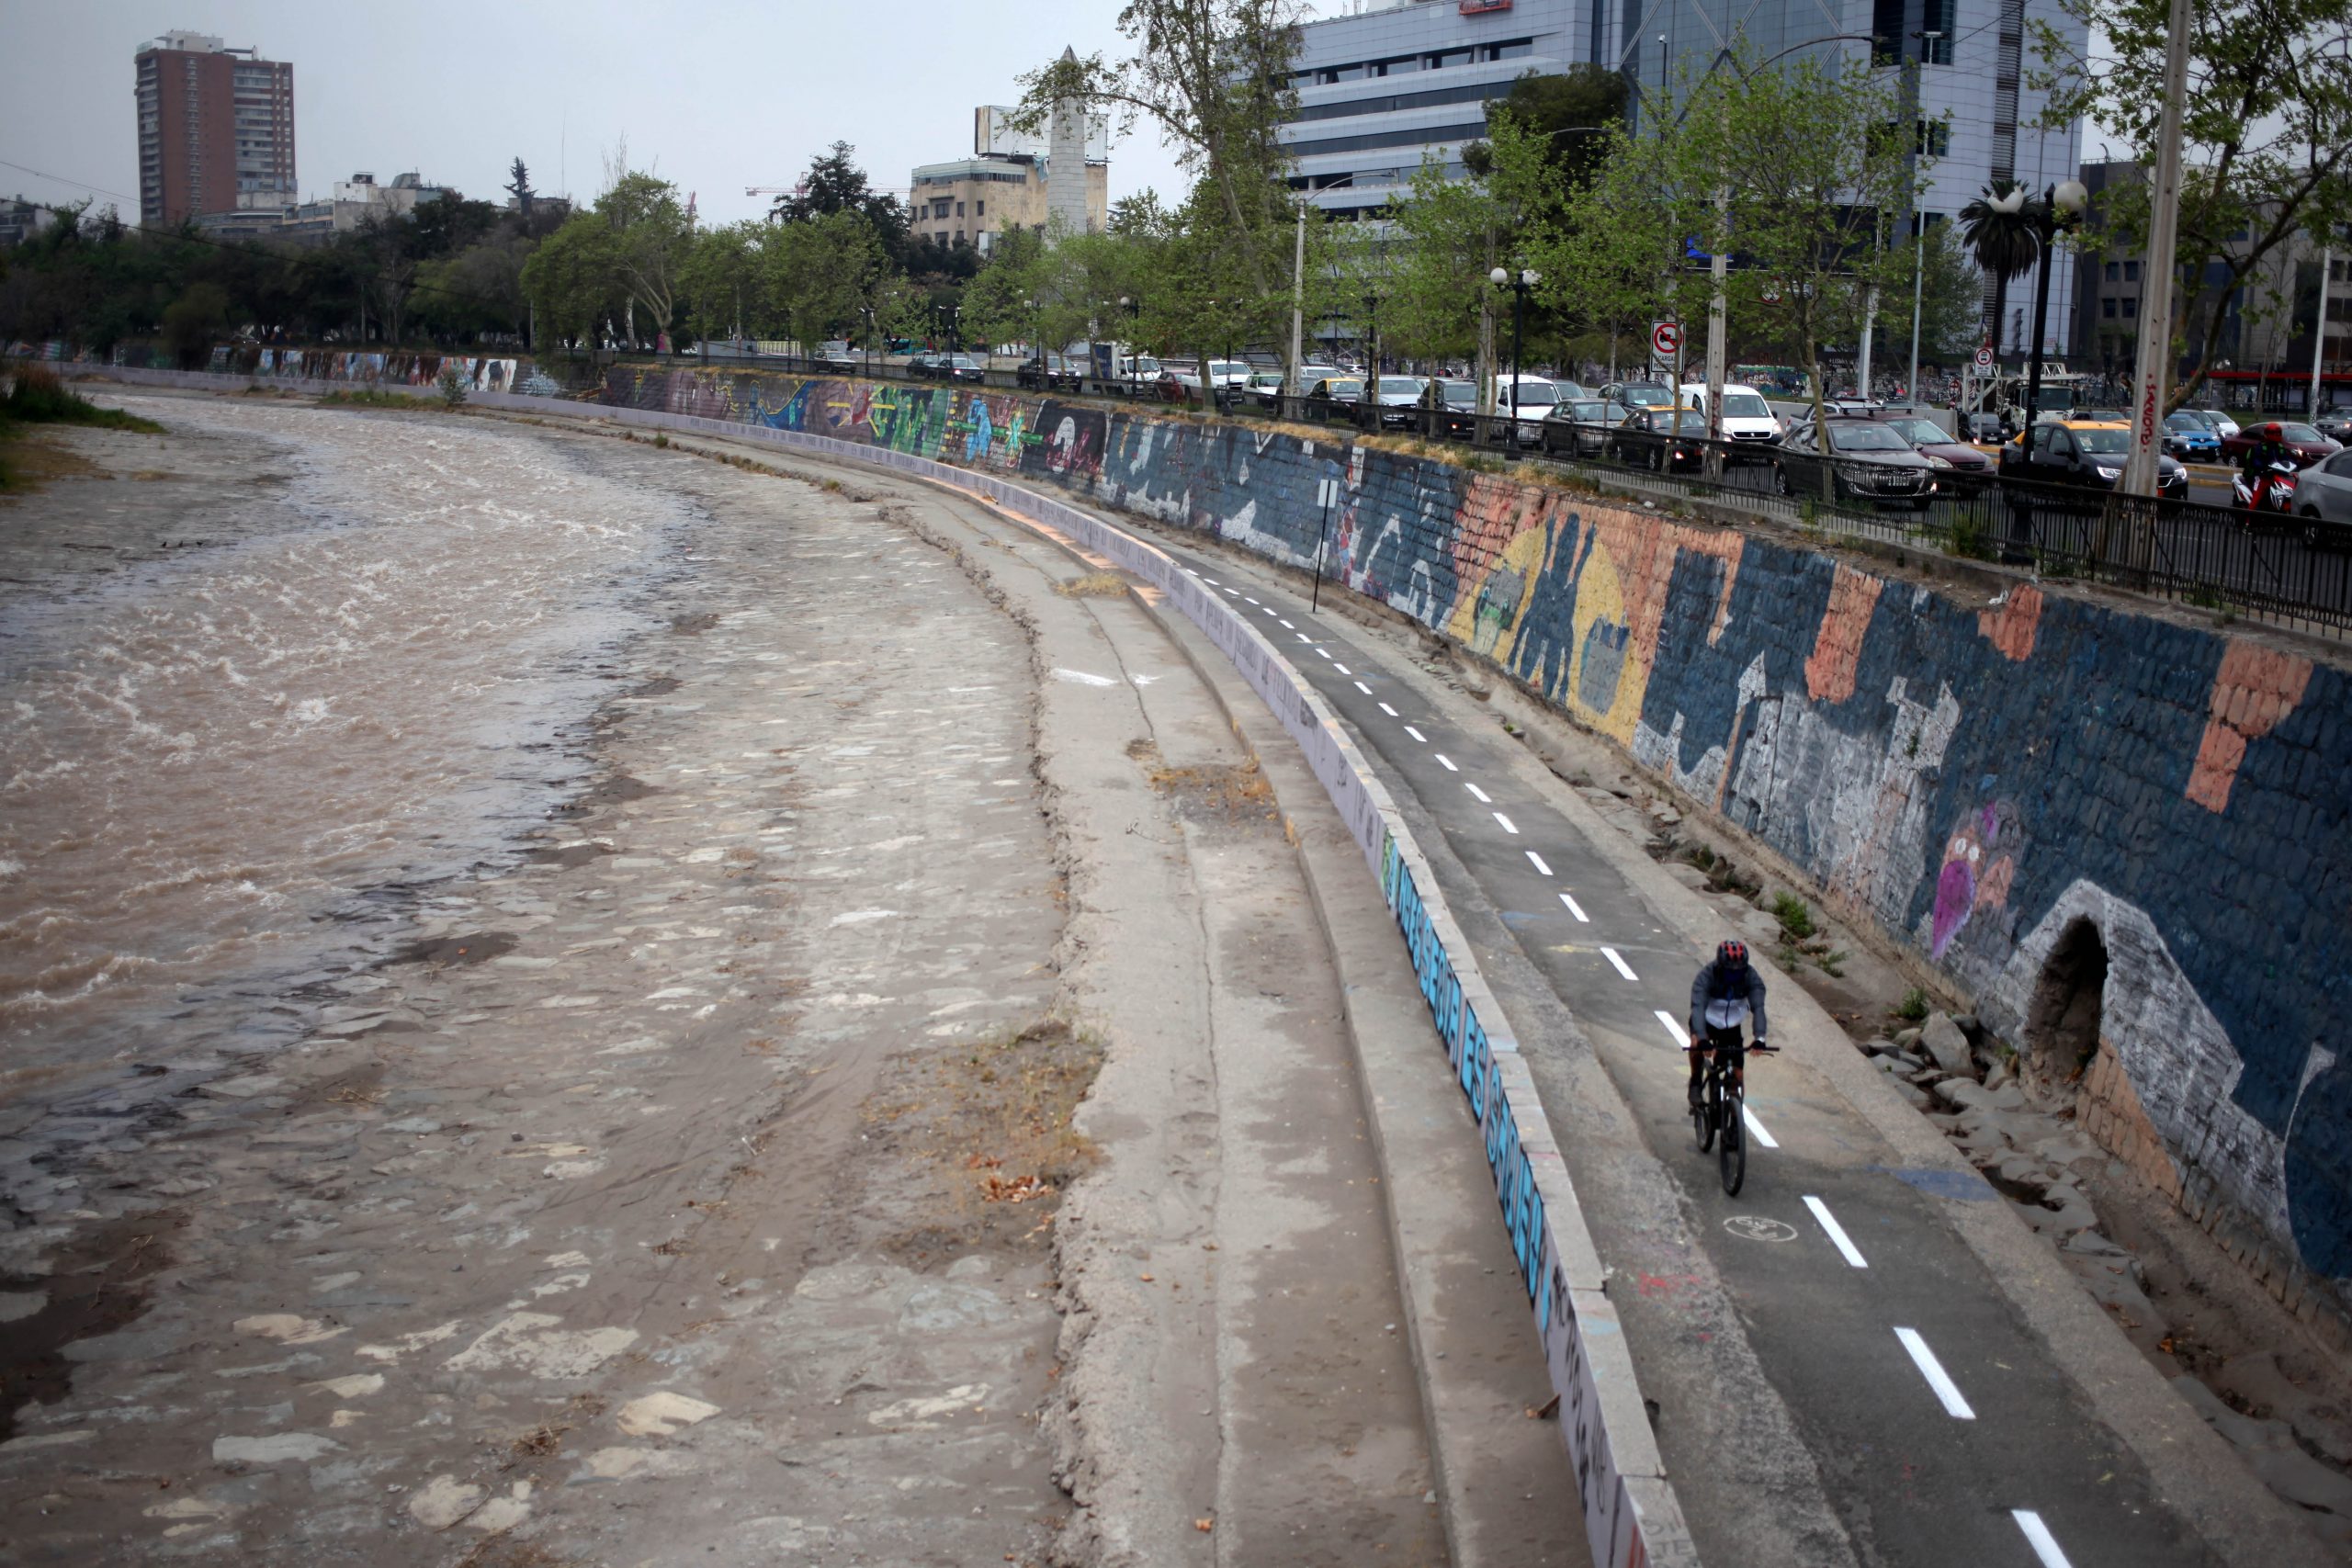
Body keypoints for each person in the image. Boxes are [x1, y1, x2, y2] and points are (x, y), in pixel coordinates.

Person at [1689, 940, 1770, 1110]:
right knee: (1696, 1044)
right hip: (1707, 1020)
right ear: (1720, 966)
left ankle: (1734, 1116)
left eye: (1739, 971)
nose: (1734, 975)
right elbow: (1698, 1008)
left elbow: (1759, 1008)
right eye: (1729, 971)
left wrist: (1760, 1038)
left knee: (1737, 1074)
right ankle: (1695, 1081)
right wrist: (1703, 1038)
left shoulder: (1752, 978)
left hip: (1731, 1025)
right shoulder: (1706, 976)